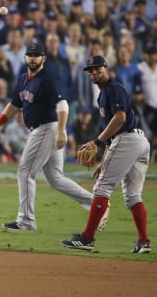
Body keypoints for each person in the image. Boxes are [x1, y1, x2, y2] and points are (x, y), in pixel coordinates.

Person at [0, 42, 108, 231]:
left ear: (43, 58)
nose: (33, 58)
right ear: (25, 57)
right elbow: (14, 105)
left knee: (25, 172)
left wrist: (61, 130)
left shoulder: (47, 79)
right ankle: (97, 204)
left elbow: (63, 105)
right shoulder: (23, 79)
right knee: (56, 179)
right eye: (30, 54)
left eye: (37, 55)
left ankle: (26, 220)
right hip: (41, 129)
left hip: (48, 128)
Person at [61, 55, 151, 254]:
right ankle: (143, 241)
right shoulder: (102, 96)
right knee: (133, 195)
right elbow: (113, 135)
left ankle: (87, 238)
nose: (93, 72)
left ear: (106, 69)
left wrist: (96, 141)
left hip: (128, 139)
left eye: (97, 69)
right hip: (136, 143)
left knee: (102, 188)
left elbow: (120, 119)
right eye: (90, 70)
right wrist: (104, 160)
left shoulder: (114, 88)